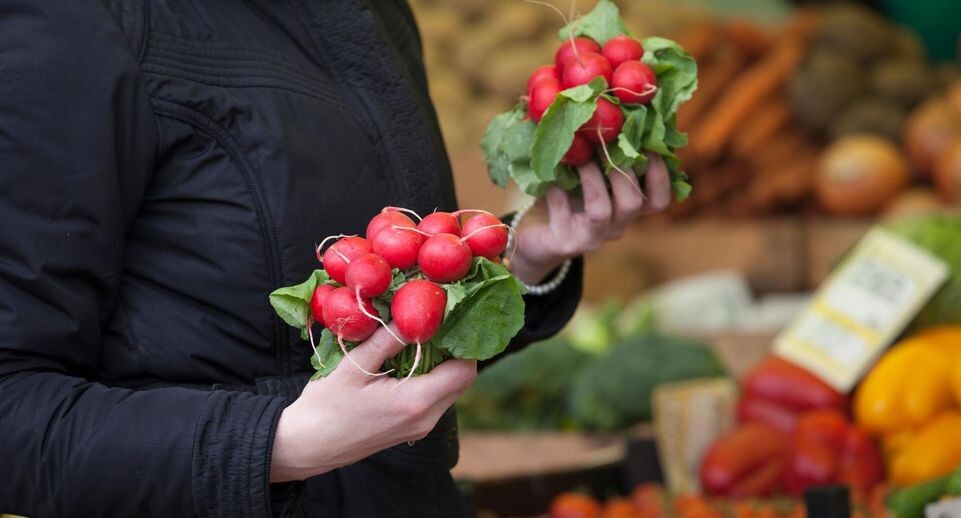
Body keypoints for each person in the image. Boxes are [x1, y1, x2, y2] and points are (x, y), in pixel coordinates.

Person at [0, 1, 672, 517]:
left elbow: (384, 330)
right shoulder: (72, 24)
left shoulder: (369, 14)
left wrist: (522, 260)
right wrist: (276, 443)